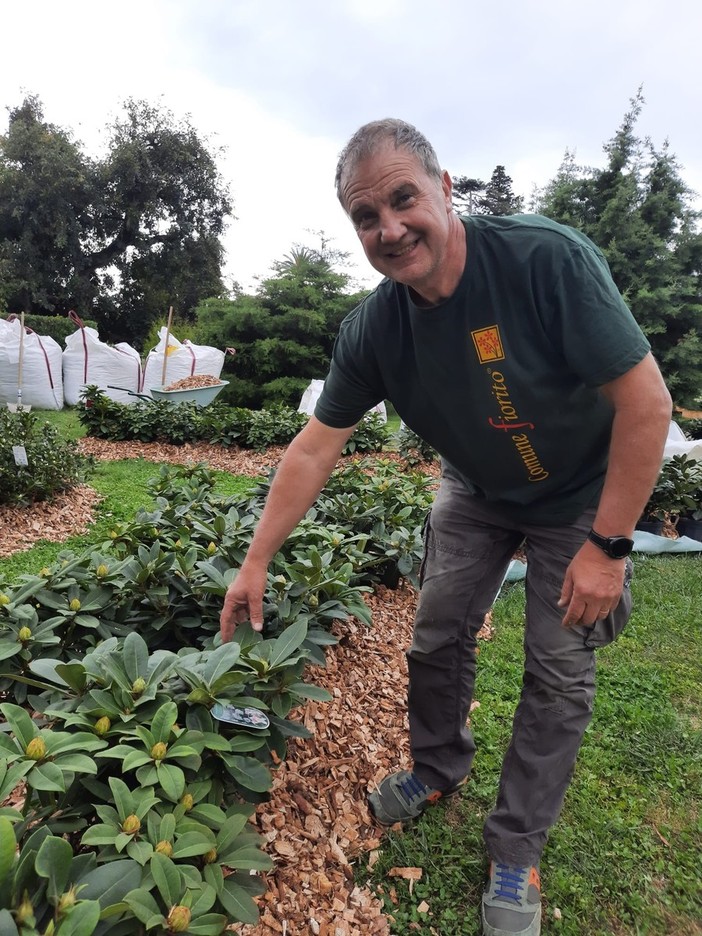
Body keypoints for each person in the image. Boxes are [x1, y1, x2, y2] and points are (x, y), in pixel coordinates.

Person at [220, 118, 672, 936]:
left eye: (403, 200)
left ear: (445, 189)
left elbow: (646, 402)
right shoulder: (375, 330)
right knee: (435, 636)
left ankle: (515, 849)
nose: (389, 229)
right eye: (366, 217)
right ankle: (436, 767)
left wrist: (608, 547)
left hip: (579, 493)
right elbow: (314, 447)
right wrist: (254, 562)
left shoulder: (545, 261)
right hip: (476, 488)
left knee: (559, 673)